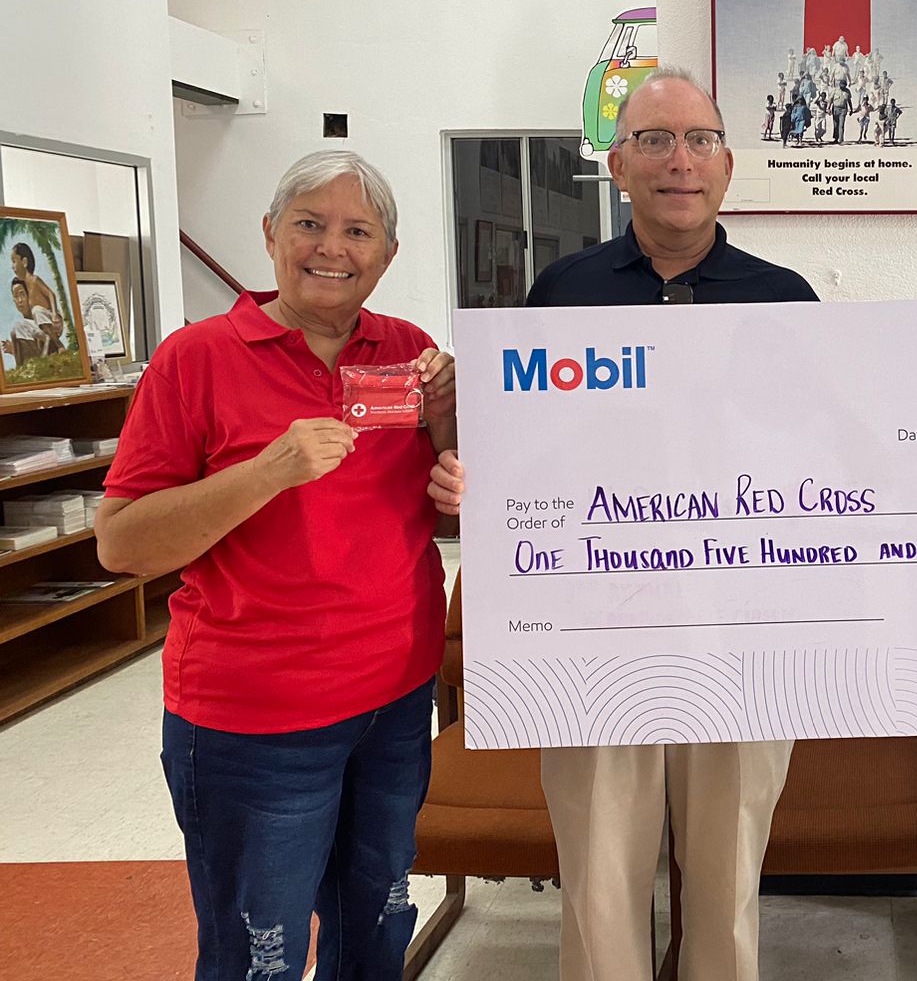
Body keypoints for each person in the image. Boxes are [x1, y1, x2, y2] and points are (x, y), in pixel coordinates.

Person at [430, 67, 817, 981]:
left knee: (726, 890)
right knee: (600, 886)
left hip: (740, 640)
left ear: (728, 164)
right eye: (653, 140)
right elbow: (523, 457)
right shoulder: (561, 295)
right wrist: (469, 475)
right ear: (618, 163)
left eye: (699, 140)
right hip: (594, 637)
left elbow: (822, 462)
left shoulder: (787, 300)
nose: (678, 161)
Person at [94, 150, 457, 981]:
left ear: (387, 255)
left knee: (377, 924)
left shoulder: (407, 354)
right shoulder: (195, 359)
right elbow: (121, 546)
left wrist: (449, 430)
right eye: (310, 224)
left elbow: (443, 501)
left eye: (358, 231)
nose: (333, 247)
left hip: (394, 704)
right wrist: (266, 471)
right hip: (254, 722)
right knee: (261, 954)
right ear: (269, 235)